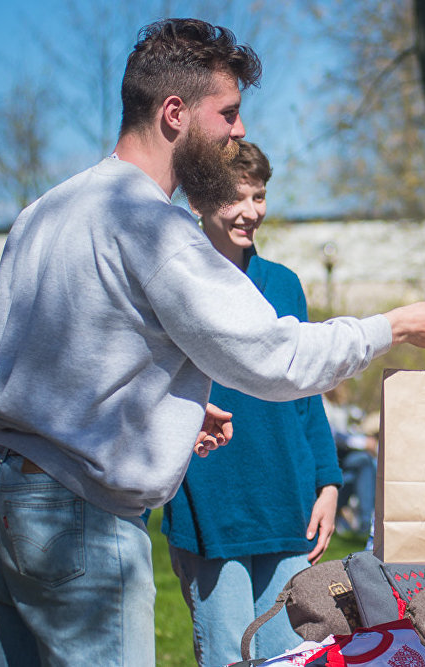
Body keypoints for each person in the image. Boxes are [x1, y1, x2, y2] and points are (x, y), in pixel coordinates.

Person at [0, 19, 425, 666]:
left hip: (2, 501)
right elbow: (277, 356)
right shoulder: (152, 226)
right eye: (230, 113)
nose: (239, 131)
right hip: (79, 520)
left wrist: (168, 407)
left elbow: (56, 358)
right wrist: (397, 326)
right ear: (175, 113)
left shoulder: (45, 212)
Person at [160, 139, 336, 664]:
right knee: (226, 653)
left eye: (258, 197)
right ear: (197, 201)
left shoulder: (284, 285)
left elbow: (307, 390)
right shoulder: (174, 280)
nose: (250, 212)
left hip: (288, 499)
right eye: (237, 199)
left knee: (290, 655)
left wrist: (326, 481)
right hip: (210, 501)